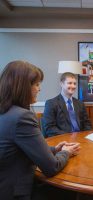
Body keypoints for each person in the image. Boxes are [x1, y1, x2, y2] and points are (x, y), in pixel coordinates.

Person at [0, 60, 80, 200]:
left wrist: (55, 149)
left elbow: (19, 149)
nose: (39, 89)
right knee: (75, 192)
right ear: (23, 86)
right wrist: (66, 152)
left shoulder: (6, 112)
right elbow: (52, 167)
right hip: (18, 191)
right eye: (37, 84)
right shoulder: (23, 117)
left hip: (5, 185)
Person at [42, 72, 92, 137]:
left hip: (81, 139)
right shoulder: (51, 103)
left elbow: (87, 124)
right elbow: (49, 128)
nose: (73, 86)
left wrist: (85, 136)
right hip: (62, 140)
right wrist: (69, 137)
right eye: (69, 83)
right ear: (61, 84)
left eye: (74, 83)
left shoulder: (80, 103)